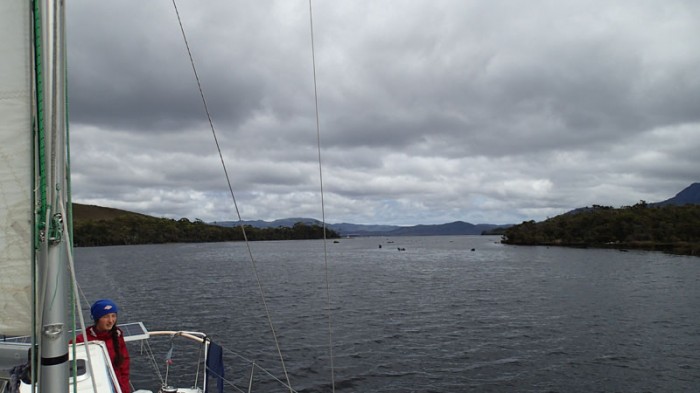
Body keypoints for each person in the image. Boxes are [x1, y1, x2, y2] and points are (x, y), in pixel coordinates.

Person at [75, 299, 130, 393]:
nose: (111, 321)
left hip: (117, 387)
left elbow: (124, 366)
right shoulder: (80, 341)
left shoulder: (118, 335)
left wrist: (124, 389)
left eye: (113, 316)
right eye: (106, 316)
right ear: (97, 319)